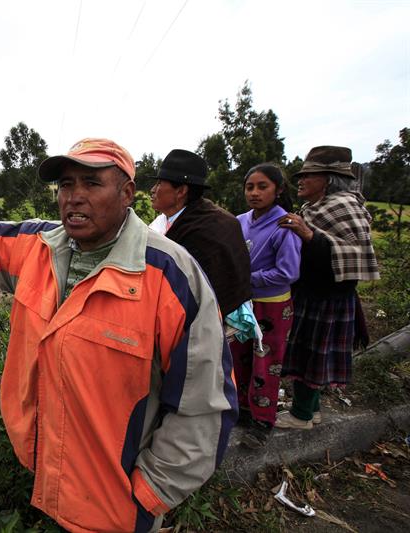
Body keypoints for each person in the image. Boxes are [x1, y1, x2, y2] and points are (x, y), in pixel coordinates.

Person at [0, 138, 237, 533]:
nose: (74, 197)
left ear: (127, 194)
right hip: (48, 476)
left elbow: (205, 404)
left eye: (91, 184)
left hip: (119, 504)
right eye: (66, 185)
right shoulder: (39, 247)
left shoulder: (170, 275)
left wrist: (152, 491)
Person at [276, 146, 379, 430]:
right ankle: (313, 409)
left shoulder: (343, 206)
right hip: (311, 293)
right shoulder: (314, 207)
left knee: (313, 354)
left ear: (329, 179)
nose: (302, 179)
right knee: (307, 352)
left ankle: (301, 415)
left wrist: (308, 234)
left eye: (309, 174)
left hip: (327, 298)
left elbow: (355, 251)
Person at [230, 164, 302, 448]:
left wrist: (247, 278)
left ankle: (263, 420)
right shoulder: (239, 221)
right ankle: (242, 410)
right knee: (238, 356)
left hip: (271, 307)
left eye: (263, 187)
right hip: (243, 302)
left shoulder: (285, 225)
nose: (255, 193)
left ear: (278, 190)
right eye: (250, 187)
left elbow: (288, 272)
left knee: (266, 362)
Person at [148, 149, 252, 318]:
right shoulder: (167, 220)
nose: (153, 190)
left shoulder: (207, 229)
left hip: (212, 322)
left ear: (181, 191)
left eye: (159, 183)